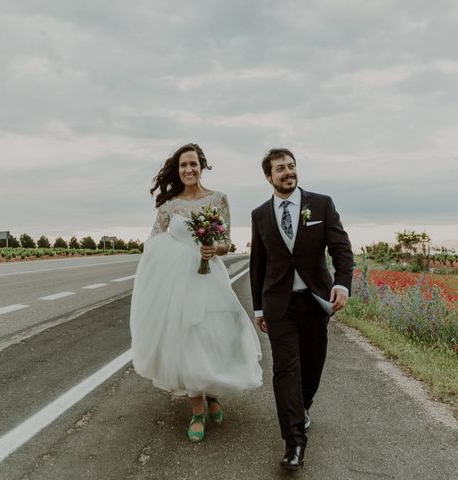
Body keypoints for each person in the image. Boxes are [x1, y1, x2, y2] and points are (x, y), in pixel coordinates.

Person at [130, 143, 262, 442]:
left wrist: (214, 248)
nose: (188, 170)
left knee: (216, 336)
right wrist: (172, 257)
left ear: (202, 165)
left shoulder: (218, 199)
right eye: (182, 166)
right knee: (187, 341)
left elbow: (228, 242)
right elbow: (152, 243)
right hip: (179, 285)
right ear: (178, 171)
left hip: (211, 278)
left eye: (193, 164)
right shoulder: (168, 206)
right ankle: (198, 410)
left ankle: (213, 391)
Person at [249, 148, 353, 470]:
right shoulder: (260, 215)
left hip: (314, 301)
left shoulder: (321, 204)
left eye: (291, 166)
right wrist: (258, 309)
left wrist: (342, 282)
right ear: (269, 176)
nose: (288, 172)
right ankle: (294, 443)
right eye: (280, 168)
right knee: (285, 371)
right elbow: (258, 264)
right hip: (278, 305)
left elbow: (341, 248)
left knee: (312, 365)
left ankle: (303, 405)